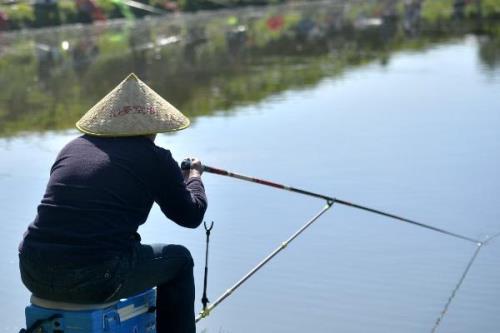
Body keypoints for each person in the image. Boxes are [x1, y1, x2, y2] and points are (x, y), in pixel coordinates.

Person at [18, 73, 207, 333]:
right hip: (96, 275)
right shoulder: (154, 157)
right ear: (152, 125)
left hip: (32, 270)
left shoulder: (72, 148)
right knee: (180, 260)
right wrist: (194, 177)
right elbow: (191, 215)